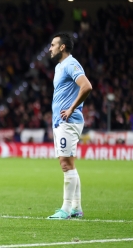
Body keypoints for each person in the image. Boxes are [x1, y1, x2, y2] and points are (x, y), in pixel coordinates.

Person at [46, 33, 92, 219]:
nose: (50, 48)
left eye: (53, 45)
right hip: (61, 122)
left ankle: (65, 209)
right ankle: (76, 208)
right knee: (69, 164)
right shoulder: (59, 67)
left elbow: (86, 86)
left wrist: (71, 108)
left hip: (68, 121)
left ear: (62, 47)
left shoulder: (71, 64)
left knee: (66, 164)